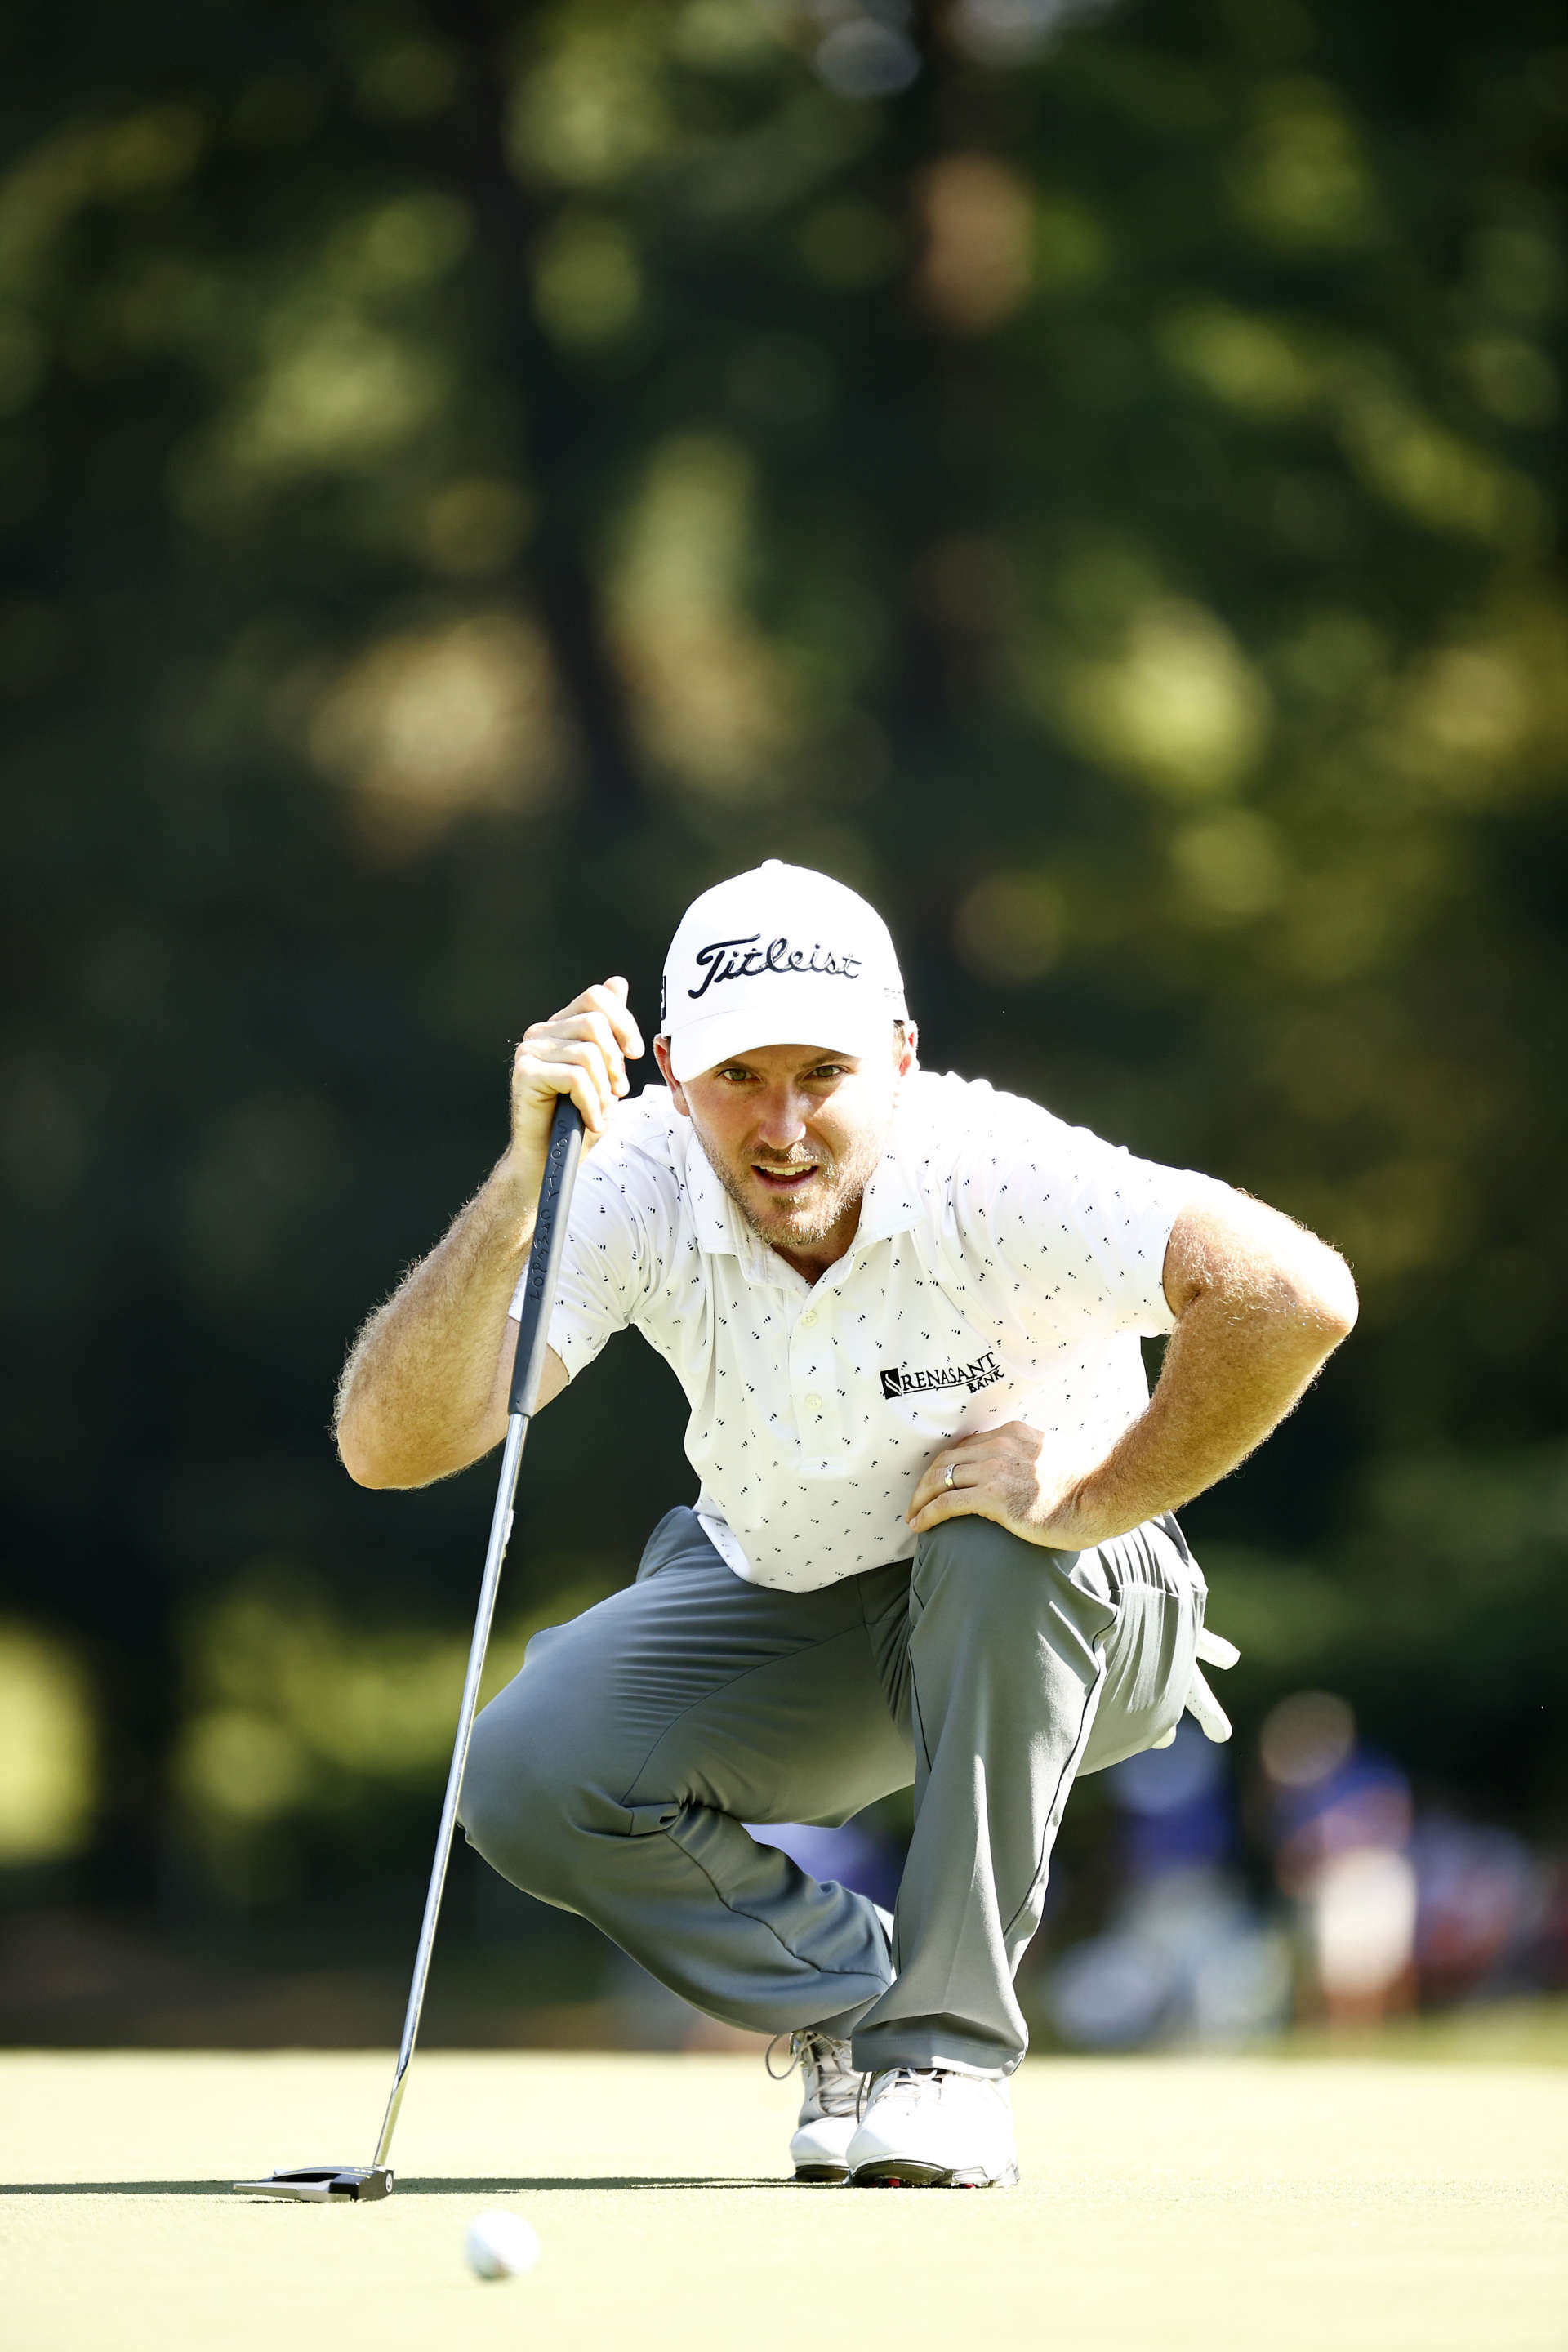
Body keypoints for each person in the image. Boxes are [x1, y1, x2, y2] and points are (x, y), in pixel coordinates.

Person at [334, 861, 1357, 2188]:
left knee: (993, 1529)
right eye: (738, 1078)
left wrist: (1098, 1494)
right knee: (528, 1772)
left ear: (900, 1057)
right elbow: (391, 1445)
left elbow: (1295, 1294)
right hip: (802, 1601)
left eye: (821, 1072)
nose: (782, 1125)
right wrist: (522, 1184)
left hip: (1083, 1611)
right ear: (669, 1073)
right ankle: (860, 2008)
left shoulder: (992, 1169)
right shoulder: (633, 1171)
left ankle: (948, 2056)